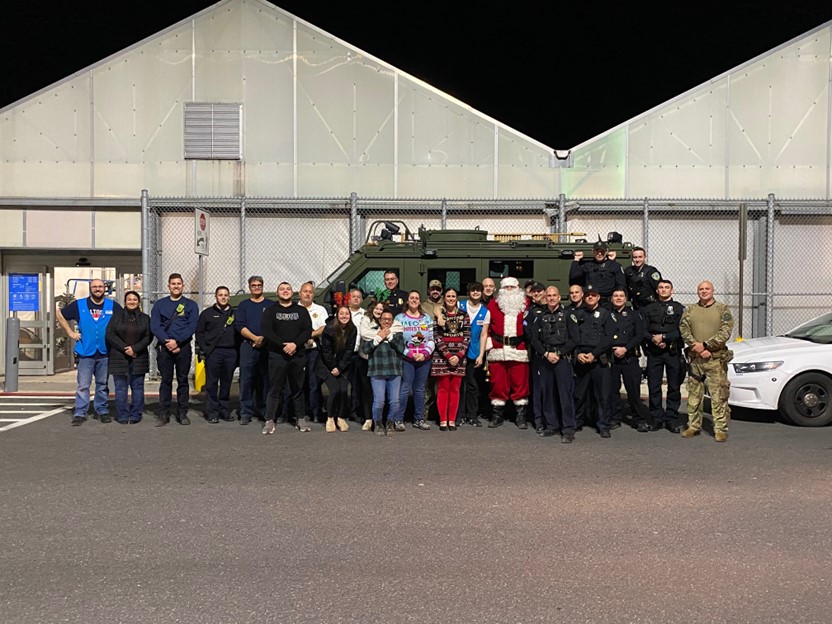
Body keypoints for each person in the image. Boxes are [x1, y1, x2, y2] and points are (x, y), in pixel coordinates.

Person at [57, 278, 122, 426]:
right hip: (86, 352)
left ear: (104, 288)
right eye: (95, 287)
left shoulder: (113, 306)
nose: (98, 289)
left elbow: (123, 322)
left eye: (100, 286)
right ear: (90, 288)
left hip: (105, 352)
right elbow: (60, 314)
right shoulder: (79, 305)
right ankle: (80, 413)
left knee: (102, 384)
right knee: (83, 385)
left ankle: (102, 410)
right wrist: (70, 333)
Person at [680, 280, 735, 442]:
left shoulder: (722, 309)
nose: (704, 291)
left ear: (713, 291)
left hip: (715, 359)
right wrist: (695, 346)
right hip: (695, 360)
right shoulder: (690, 309)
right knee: (694, 395)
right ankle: (694, 426)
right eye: (701, 289)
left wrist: (706, 346)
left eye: (707, 289)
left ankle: (720, 429)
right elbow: (684, 329)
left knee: (719, 395)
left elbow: (726, 331)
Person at [529, 286, 579, 442]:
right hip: (545, 358)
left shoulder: (568, 315)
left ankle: (568, 429)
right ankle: (551, 425)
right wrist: (546, 353)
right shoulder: (540, 316)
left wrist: (558, 353)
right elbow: (534, 339)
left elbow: (574, 339)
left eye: (554, 295)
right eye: (548, 295)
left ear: (559, 297)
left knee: (565, 394)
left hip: (562, 358)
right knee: (548, 394)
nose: (551, 298)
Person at [261, 282, 313, 434]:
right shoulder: (270, 311)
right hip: (277, 355)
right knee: (274, 389)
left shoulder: (301, 311)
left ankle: (300, 419)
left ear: (293, 292)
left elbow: (307, 330)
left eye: (288, 289)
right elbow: (267, 331)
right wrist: (283, 345)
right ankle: (269, 420)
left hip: (298, 355)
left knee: (297, 389)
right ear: (277, 293)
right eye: (282, 289)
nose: (285, 291)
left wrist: (295, 344)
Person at [150, 273, 199, 427]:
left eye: (179, 283)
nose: (176, 286)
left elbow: (192, 326)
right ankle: (164, 413)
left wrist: (177, 342)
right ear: (168, 286)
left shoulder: (191, 305)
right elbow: (155, 326)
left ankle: (182, 412)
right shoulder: (159, 304)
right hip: (165, 348)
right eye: (173, 284)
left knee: (183, 380)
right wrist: (167, 341)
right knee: (166, 380)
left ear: (183, 286)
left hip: (183, 347)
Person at [485, 277, 530, 429]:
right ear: (501, 290)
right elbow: (487, 326)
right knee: (498, 384)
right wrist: (490, 342)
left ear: (518, 288)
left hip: (519, 350)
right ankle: (497, 415)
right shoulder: (493, 305)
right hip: (498, 350)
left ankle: (521, 415)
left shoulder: (526, 304)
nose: (509, 290)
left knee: (520, 384)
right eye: (506, 287)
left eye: (512, 287)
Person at [641, 280, 685, 433]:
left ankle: (672, 418)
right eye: (661, 287)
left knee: (674, 386)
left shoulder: (679, 308)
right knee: (654, 386)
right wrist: (654, 339)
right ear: (657, 290)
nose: (663, 290)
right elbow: (643, 330)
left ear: (672, 290)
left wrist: (664, 338)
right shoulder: (648, 309)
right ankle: (656, 418)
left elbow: (683, 331)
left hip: (672, 352)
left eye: (667, 287)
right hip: (654, 353)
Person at [573, 285, 615, 437]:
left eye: (593, 295)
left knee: (602, 395)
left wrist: (594, 354)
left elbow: (608, 338)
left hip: (599, 360)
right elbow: (573, 336)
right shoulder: (578, 314)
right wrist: (578, 353)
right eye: (588, 295)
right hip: (581, 359)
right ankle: (577, 422)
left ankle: (603, 424)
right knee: (578, 394)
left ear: (598, 297)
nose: (590, 297)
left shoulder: (606, 315)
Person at [105, 290, 150, 424]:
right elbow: (110, 334)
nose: (132, 302)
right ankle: (123, 414)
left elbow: (148, 336)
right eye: (129, 299)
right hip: (119, 357)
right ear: (125, 302)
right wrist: (125, 348)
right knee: (121, 387)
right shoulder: (116, 317)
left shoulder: (145, 318)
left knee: (137, 387)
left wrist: (135, 348)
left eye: (135, 299)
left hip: (138, 356)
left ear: (139, 302)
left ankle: (136, 414)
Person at [608, 289, 651, 432]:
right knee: (613, 390)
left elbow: (639, 335)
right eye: (616, 296)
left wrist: (625, 349)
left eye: (621, 296)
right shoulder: (607, 314)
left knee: (633, 390)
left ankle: (638, 419)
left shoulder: (634, 315)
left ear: (625, 298)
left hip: (629, 357)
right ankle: (615, 418)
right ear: (611, 299)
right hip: (612, 357)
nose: (618, 298)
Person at [195, 286, 239, 424]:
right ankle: (212, 412)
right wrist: (204, 348)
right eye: (220, 295)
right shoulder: (207, 313)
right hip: (213, 353)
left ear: (229, 297)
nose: (223, 297)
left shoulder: (235, 313)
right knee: (211, 384)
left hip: (230, 352)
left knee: (226, 384)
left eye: (226, 295)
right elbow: (199, 333)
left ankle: (225, 411)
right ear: (216, 296)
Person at [234, 275, 273, 425]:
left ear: (262, 286)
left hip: (266, 346)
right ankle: (245, 412)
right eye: (253, 285)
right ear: (249, 287)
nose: (256, 287)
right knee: (246, 380)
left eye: (259, 285)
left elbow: (272, 325)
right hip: (248, 346)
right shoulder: (244, 305)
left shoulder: (270, 305)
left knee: (265, 380)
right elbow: (239, 325)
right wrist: (254, 338)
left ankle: (264, 411)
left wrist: (263, 339)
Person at [362, 309, 406, 436]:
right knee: (379, 400)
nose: (386, 321)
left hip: (394, 370)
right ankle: (378, 423)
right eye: (384, 319)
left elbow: (401, 349)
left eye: (389, 319)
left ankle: (390, 422)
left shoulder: (397, 333)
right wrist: (378, 338)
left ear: (392, 321)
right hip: (377, 370)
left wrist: (390, 337)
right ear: (380, 320)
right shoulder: (372, 332)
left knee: (394, 401)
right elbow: (365, 349)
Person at [431, 288, 470, 430]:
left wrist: (458, 355)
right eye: (448, 296)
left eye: (453, 296)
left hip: (459, 357)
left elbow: (467, 336)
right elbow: (436, 336)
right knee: (442, 388)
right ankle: (443, 419)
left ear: (457, 298)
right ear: (444, 298)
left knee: (455, 389)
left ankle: (452, 419)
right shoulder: (438, 315)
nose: (451, 298)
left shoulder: (464, 315)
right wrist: (448, 355)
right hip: (442, 357)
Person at [395, 290, 434, 431]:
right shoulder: (399, 318)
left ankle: (419, 418)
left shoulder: (427, 318)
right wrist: (409, 354)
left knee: (420, 389)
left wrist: (424, 353)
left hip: (424, 359)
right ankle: (399, 419)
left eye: (417, 298)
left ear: (419, 301)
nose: (414, 300)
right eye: (411, 298)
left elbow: (431, 339)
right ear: (407, 300)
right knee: (405, 388)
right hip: (407, 359)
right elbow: (396, 341)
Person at [316, 305, 357, 432]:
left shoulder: (353, 329)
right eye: (341, 314)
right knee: (334, 390)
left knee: (344, 390)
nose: (344, 316)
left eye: (347, 314)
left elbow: (349, 351)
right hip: (326, 365)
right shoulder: (329, 329)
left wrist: (339, 367)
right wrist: (333, 367)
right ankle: (330, 418)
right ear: (337, 315)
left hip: (342, 365)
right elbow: (326, 351)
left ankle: (341, 417)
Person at [458, 281, 490, 427]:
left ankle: (472, 415)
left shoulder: (485, 311)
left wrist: (481, 355)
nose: (475, 293)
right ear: (469, 292)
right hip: (458, 351)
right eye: (473, 291)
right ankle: (459, 415)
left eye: (478, 291)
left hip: (473, 351)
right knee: (459, 384)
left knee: (472, 385)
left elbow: (484, 334)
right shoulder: (460, 305)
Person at [299, 281, 329, 424]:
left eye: (310, 291)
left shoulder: (320, 309)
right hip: (297, 350)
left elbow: (324, 327)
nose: (308, 294)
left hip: (314, 351)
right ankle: (298, 412)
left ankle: (316, 412)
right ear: (300, 293)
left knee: (313, 383)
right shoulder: (294, 309)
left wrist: (311, 336)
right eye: (305, 291)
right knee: (298, 382)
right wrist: (303, 338)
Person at [569, 241, 626, 308]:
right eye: (597, 251)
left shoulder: (615, 265)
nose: (599, 253)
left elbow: (621, 285)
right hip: (591, 302)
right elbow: (573, 277)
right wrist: (576, 260)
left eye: (602, 251)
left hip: (609, 303)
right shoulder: (588, 265)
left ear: (606, 251)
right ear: (593, 251)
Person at [347, 289, 368, 423]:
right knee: (343, 385)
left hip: (360, 354)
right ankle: (342, 411)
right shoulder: (343, 313)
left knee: (359, 385)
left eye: (358, 297)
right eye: (353, 296)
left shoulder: (365, 314)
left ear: (361, 300)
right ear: (348, 298)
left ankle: (356, 411)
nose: (355, 299)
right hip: (345, 354)